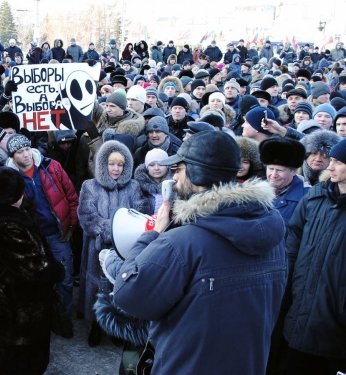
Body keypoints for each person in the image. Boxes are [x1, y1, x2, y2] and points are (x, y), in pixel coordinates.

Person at [111, 131, 287, 374]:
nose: (175, 177)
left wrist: (154, 235)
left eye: (179, 170)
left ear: (197, 174)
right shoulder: (273, 233)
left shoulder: (181, 242)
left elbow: (128, 295)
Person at [0, 167, 65, 375]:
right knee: (23, 363)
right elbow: (35, 270)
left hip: (4, 306)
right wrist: (57, 269)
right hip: (20, 312)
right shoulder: (10, 227)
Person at [283, 139, 346, 374]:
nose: (329, 167)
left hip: (336, 331)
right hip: (300, 314)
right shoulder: (315, 197)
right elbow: (293, 244)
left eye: (339, 162)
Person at [6, 135, 79, 334]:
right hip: (33, 239)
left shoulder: (51, 166)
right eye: (20, 152)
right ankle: (43, 319)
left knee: (64, 278)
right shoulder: (9, 177)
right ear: (13, 156)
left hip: (58, 234)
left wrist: (71, 225)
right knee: (38, 280)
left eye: (27, 149)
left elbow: (71, 196)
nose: (26, 154)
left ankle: (63, 317)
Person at [77, 140, 145, 347]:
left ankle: (117, 327)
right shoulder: (89, 186)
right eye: (111, 164)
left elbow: (140, 215)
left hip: (125, 251)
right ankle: (96, 325)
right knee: (98, 289)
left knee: (120, 289)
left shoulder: (133, 187)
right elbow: (87, 217)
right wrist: (115, 230)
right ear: (102, 164)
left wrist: (124, 234)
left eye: (121, 165)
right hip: (96, 250)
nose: (116, 169)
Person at [133, 148, 172, 215]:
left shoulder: (176, 185)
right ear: (147, 167)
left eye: (160, 164)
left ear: (167, 166)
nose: (156, 168)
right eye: (152, 165)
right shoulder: (137, 187)